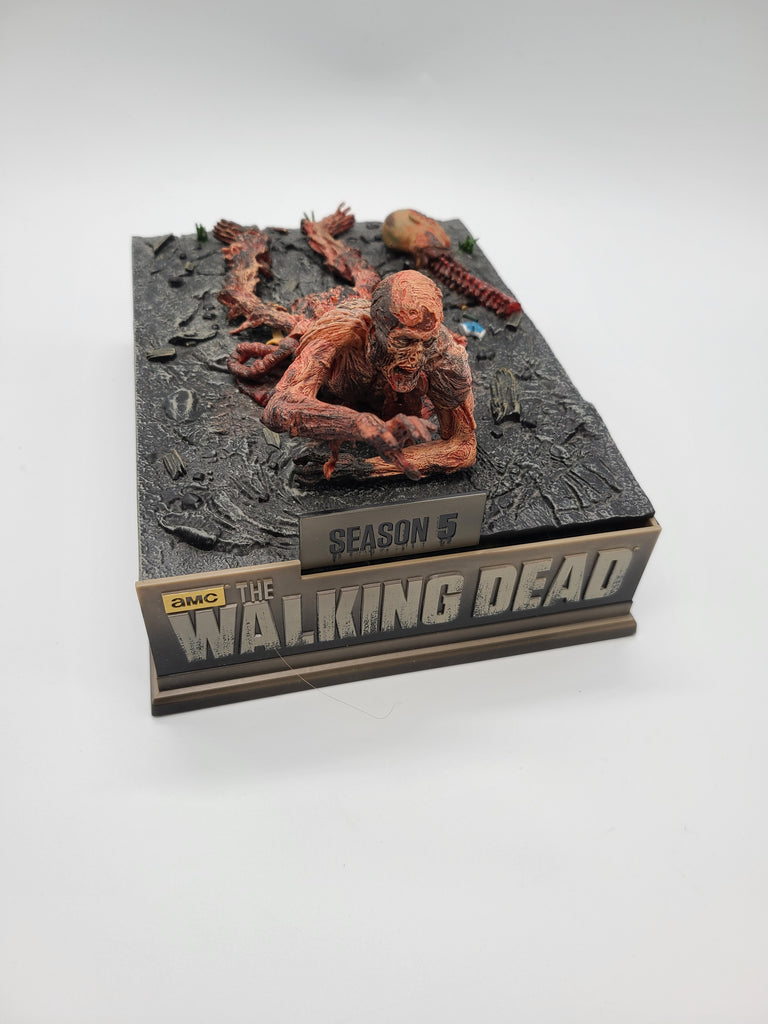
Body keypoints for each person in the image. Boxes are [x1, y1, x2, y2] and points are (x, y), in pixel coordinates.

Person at [262, 270, 476, 481]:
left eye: (427, 342)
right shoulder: (341, 332)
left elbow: (463, 447)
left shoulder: (444, 355)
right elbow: (279, 407)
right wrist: (358, 424)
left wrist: (361, 468)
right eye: (404, 342)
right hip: (329, 321)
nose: (416, 358)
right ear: (374, 333)